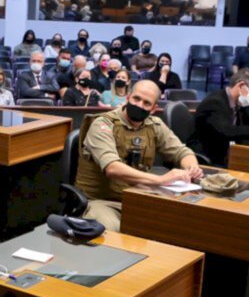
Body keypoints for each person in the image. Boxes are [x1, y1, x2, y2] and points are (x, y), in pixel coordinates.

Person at [76, 80, 202, 231]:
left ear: (154, 108)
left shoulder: (154, 125)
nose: (140, 105)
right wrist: (161, 180)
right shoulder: (102, 124)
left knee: (180, 222)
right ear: (128, 97)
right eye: (136, 99)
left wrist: (192, 168)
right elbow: (112, 168)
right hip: (101, 201)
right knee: (112, 231)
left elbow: (182, 152)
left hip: (139, 196)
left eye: (147, 103)